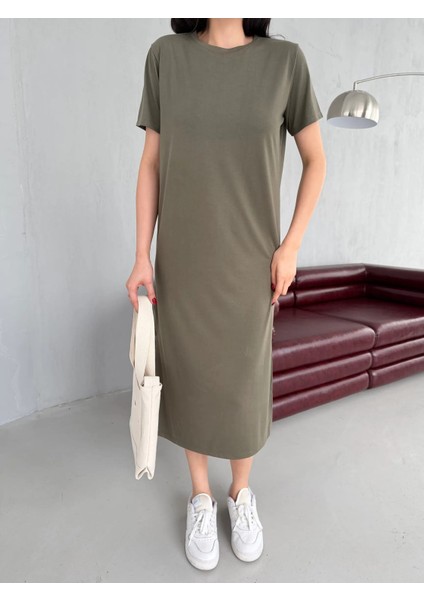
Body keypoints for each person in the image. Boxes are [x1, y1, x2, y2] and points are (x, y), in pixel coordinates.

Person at [127, 18, 326, 571]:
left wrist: (290, 247)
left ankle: (240, 493)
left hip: (250, 265)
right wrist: (142, 254)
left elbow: (316, 159)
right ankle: (200, 495)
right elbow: (150, 163)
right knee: (190, 376)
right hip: (184, 261)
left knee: (242, 384)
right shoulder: (166, 57)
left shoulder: (285, 63)